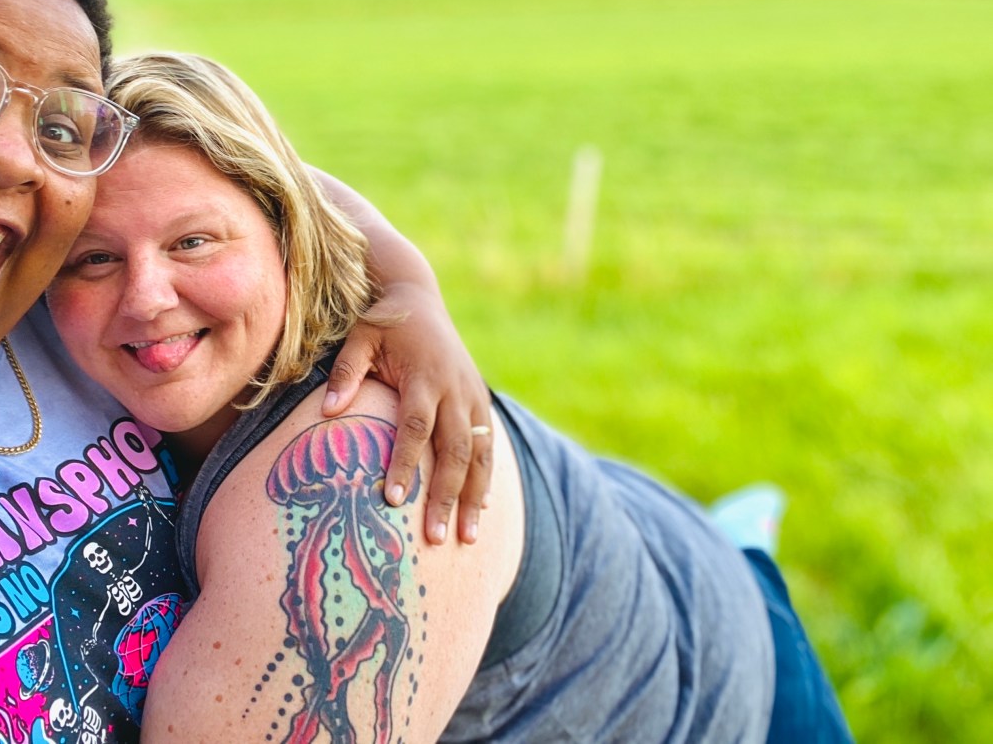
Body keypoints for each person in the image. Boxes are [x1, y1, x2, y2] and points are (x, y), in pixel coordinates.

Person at [0, 0, 491, 742]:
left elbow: (235, 174)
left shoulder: (50, 291)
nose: (11, 154)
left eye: (58, 125)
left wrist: (408, 283)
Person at [46, 51, 856, 743]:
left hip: (729, 687)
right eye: (92, 260)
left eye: (193, 241)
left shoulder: (362, 462)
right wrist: (410, 275)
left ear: (287, 233)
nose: (147, 296)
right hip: (627, 535)